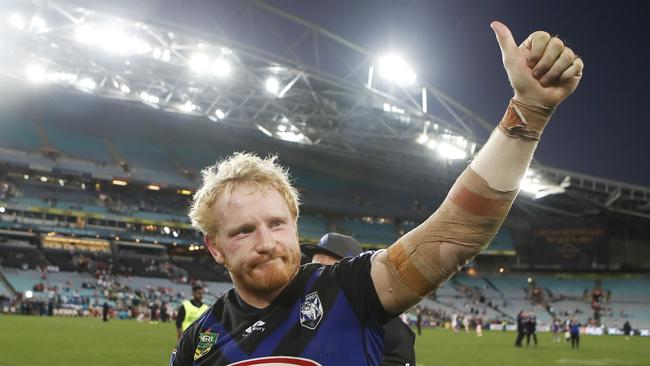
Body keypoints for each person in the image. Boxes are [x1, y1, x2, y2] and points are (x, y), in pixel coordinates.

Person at [171, 21, 584, 365]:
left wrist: (528, 111)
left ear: (295, 224)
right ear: (215, 247)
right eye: (243, 231)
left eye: (277, 223)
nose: (266, 243)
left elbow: (456, 234)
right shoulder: (198, 342)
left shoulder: (346, 290)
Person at [302, 232, 416, 366]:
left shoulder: (390, 333)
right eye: (314, 268)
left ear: (355, 273)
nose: (317, 277)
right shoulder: (303, 312)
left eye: (327, 271)